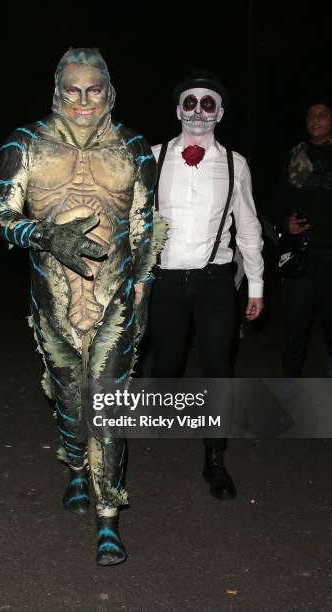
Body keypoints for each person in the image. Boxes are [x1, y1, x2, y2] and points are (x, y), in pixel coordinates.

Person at [0, 48, 166, 566]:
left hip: (114, 299)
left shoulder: (134, 146)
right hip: (53, 300)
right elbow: (1, 216)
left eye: (94, 90)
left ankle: (108, 520)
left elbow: (144, 227)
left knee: (107, 411)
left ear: (109, 91)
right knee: (70, 399)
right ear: (57, 90)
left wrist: (142, 294)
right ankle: (74, 467)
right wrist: (41, 232)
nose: (84, 100)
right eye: (73, 89)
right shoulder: (24, 143)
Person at [149, 70, 264, 499]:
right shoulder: (154, 157)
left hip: (216, 281)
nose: (198, 110)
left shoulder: (236, 164)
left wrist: (255, 285)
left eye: (208, 103)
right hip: (165, 281)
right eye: (191, 102)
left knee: (219, 369)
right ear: (178, 109)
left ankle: (215, 459)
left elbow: (249, 227)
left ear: (220, 113)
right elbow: (133, 220)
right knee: (168, 363)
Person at [275, 99, 332, 377]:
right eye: (311, 115)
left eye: (322, 114)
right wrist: (285, 221)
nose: (316, 119)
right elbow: (278, 200)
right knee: (295, 326)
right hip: (301, 254)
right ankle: (289, 388)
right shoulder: (295, 154)